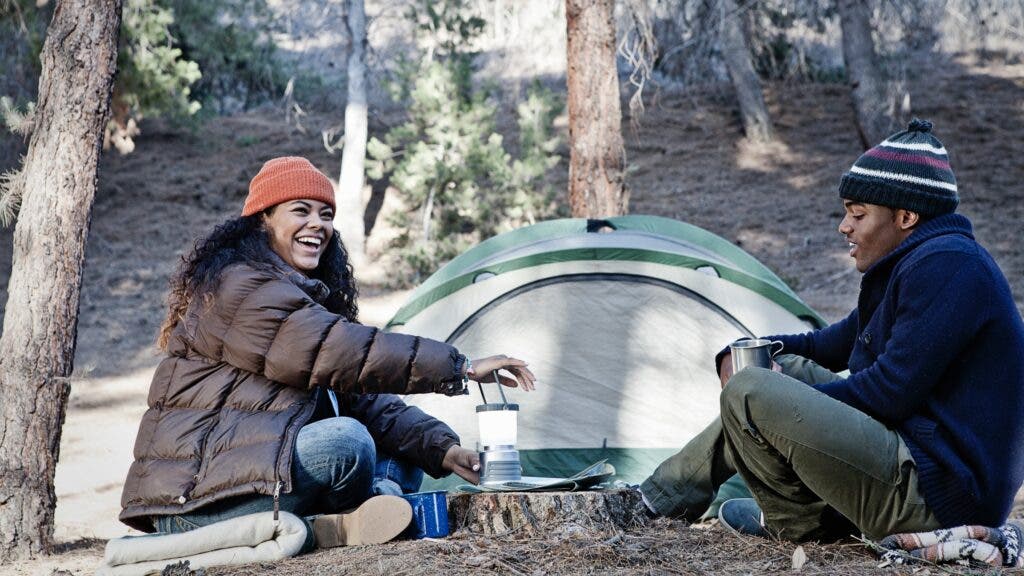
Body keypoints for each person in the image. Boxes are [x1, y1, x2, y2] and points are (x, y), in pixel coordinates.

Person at [118, 156, 536, 549]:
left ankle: (356, 514)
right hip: (196, 503)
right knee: (347, 441)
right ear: (262, 221)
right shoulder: (240, 288)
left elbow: (365, 400)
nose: (317, 224)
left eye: (326, 214)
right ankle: (369, 507)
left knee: (407, 450)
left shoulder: (296, 296)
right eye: (300, 211)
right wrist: (461, 367)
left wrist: (445, 451)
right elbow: (342, 353)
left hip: (260, 477)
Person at [638, 119, 1024, 542]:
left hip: (938, 495)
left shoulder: (949, 267)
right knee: (781, 370)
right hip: (915, 463)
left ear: (906, 216)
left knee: (752, 391)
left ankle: (800, 521)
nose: (845, 227)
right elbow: (834, 342)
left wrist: (773, 395)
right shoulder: (915, 263)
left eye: (858, 215)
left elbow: (887, 394)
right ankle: (660, 498)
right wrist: (757, 350)